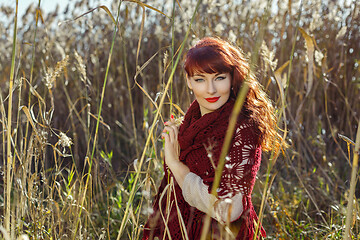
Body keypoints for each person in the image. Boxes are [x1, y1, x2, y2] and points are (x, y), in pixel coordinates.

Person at [142, 37, 283, 239]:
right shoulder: (187, 126)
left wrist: (175, 163)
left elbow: (229, 211)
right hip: (181, 228)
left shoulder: (243, 127)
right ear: (189, 82)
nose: (211, 90)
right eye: (200, 79)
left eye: (219, 78)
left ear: (232, 78)